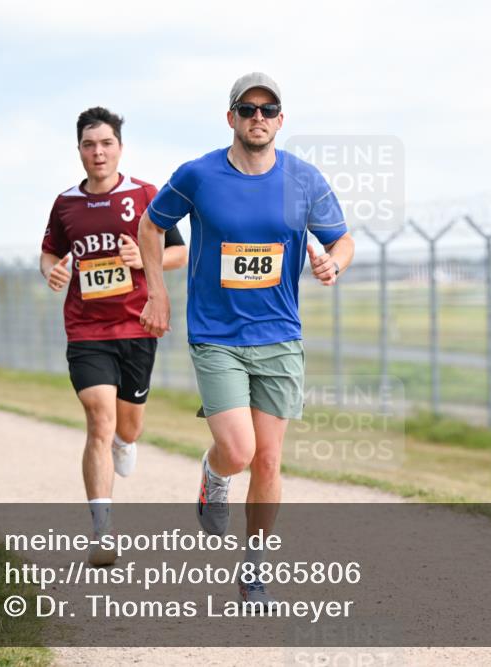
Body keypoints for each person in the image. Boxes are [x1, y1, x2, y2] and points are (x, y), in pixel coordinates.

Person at [137, 73, 355, 607]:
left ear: (281, 120)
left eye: (268, 109)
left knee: (269, 460)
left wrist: (332, 263)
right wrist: (157, 293)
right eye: (247, 108)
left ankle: (254, 568)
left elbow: (342, 239)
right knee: (238, 450)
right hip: (216, 334)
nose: (257, 117)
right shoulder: (198, 175)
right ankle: (214, 474)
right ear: (230, 117)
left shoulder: (303, 180)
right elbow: (149, 226)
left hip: (279, 334)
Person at [40, 107, 187, 566]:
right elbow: (48, 255)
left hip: (137, 326)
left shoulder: (146, 195)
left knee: (127, 426)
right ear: (79, 150)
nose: (97, 152)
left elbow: (180, 251)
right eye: (89, 144)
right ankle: (103, 532)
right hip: (87, 329)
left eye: (105, 143)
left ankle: (127, 441)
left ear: (119, 148)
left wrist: (145, 260)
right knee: (98, 418)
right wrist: (54, 272)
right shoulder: (65, 203)